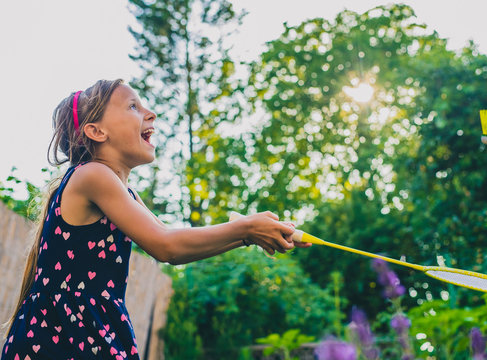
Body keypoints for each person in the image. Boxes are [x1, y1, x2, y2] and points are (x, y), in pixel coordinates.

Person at [1, 79, 310, 359]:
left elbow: (172, 245)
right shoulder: (92, 175)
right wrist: (245, 227)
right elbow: (167, 246)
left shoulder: (125, 193)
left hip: (92, 329)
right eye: (133, 106)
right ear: (96, 131)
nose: (151, 114)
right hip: (60, 337)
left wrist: (247, 234)